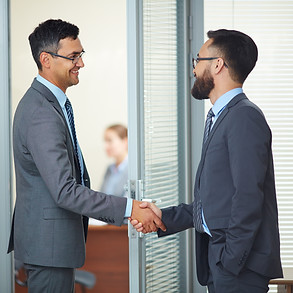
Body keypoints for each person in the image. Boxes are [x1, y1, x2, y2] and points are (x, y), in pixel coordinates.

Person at [7, 19, 165, 293]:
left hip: (50, 248)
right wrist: (130, 208)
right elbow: (65, 190)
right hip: (48, 249)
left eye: (81, 55)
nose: (81, 63)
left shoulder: (51, 105)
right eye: (73, 56)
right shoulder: (41, 112)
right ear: (46, 59)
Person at [131, 29, 283, 293]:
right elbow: (216, 202)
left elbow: (248, 197)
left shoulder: (243, 117)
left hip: (237, 267)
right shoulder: (220, 117)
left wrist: (230, 261)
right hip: (221, 261)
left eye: (197, 61)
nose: (193, 70)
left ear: (217, 64)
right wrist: (163, 217)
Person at [100, 124, 128, 198]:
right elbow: (101, 196)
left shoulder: (133, 170)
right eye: (105, 141)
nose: (106, 146)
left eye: (110, 140)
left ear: (125, 141)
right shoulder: (110, 169)